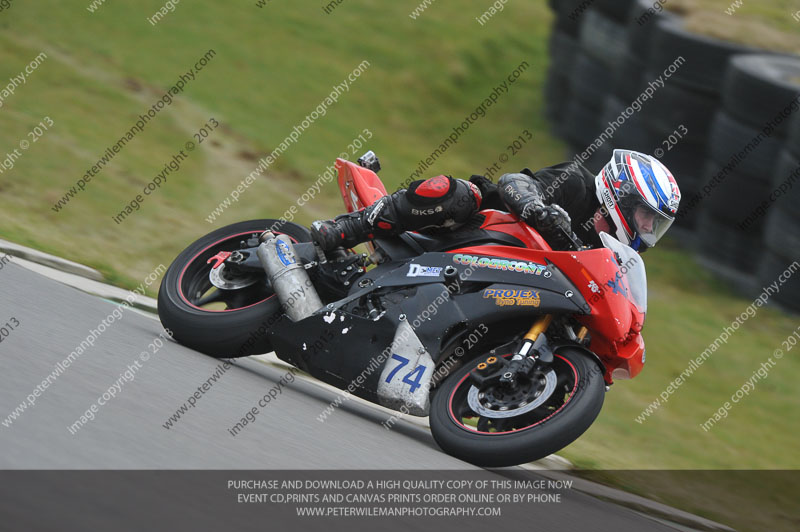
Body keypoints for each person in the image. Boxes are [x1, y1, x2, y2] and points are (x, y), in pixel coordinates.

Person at [310, 149, 681, 253]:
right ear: (622, 194)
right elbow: (514, 182)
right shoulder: (578, 184)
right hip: (474, 230)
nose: (648, 228)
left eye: (655, 222)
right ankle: (345, 229)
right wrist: (538, 209)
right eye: (647, 215)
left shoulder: (610, 254)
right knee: (455, 194)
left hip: (515, 285)